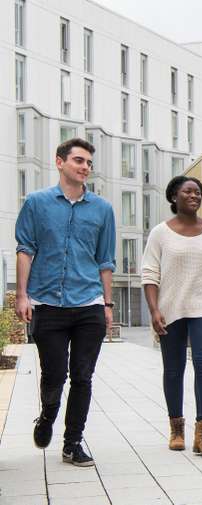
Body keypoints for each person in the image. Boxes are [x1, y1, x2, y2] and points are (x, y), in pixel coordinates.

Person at [14, 138, 115, 467]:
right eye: (79, 160)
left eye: (88, 162)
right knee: (54, 375)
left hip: (89, 303)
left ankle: (72, 443)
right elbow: (25, 249)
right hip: (48, 303)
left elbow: (105, 261)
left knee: (83, 376)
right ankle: (47, 416)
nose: (85, 166)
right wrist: (21, 294)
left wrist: (108, 305)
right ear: (60, 163)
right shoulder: (36, 203)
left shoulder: (103, 209)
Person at [141, 176, 202, 456]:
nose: (195, 195)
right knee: (174, 368)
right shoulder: (160, 233)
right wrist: (154, 310)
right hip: (170, 308)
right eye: (188, 191)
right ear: (173, 197)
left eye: (198, 192)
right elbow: (149, 274)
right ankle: (176, 428)